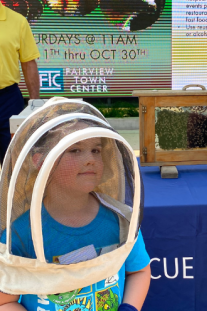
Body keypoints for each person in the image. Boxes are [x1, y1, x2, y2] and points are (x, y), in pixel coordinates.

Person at [0, 120, 151, 311]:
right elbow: (5, 301)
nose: (90, 159)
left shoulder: (120, 219)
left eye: (95, 150)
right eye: (75, 150)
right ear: (41, 161)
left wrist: (129, 308)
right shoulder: (21, 233)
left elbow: (139, 271)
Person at [0, 0, 40, 165]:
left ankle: (11, 194)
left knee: (14, 159)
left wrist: (35, 103)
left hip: (7, 100)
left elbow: (28, 64)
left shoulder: (17, 21)